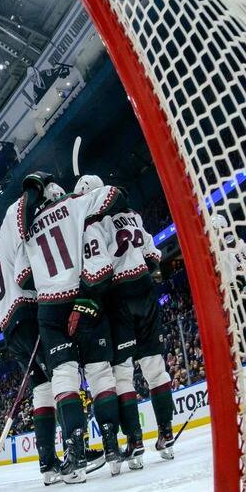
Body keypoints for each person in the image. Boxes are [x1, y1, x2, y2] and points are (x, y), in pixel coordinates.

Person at [19, 171, 125, 480]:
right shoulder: (75, 205)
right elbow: (116, 194)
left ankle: (75, 451)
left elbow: (23, 279)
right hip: (83, 297)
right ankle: (111, 446)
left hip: (50, 307)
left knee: (64, 378)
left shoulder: (29, 228)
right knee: (100, 373)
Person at [76, 174, 176, 461]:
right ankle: (166, 434)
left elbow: (99, 271)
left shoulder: (92, 223)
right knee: (155, 366)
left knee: (123, 374)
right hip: (145, 291)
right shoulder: (133, 215)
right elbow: (153, 253)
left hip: (119, 297)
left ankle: (135, 441)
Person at [0, 186, 63, 485]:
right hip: (27, 311)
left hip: (11, 323)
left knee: (42, 389)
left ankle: (48, 464)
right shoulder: (16, 218)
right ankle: (77, 447)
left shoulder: (0, 239)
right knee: (63, 374)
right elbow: (26, 274)